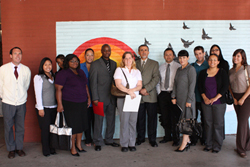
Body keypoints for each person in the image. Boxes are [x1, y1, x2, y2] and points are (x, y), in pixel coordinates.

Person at [55, 54, 91, 156]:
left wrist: (88, 98)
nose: (75, 63)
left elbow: (85, 86)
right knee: (73, 127)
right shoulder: (63, 73)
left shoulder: (80, 72)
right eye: (72, 61)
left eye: (76, 61)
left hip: (82, 102)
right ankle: (72, 147)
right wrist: (59, 104)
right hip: (70, 103)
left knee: (81, 125)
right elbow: (58, 89)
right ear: (67, 62)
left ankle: (79, 145)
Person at [0, 47, 31, 159]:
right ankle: (11, 149)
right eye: (15, 53)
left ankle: (19, 148)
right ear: (10, 56)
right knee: (8, 127)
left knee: (20, 127)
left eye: (20, 53)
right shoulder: (3, 69)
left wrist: (20, 96)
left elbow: (25, 86)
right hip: (8, 102)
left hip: (21, 102)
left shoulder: (26, 70)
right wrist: (5, 97)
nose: (18, 55)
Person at [89, 44, 119, 151]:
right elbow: (93, 82)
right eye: (105, 50)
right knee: (98, 121)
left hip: (112, 97)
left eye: (108, 50)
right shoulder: (95, 64)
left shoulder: (114, 64)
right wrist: (95, 97)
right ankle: (97, 141)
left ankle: (109, 139)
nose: (107, 52)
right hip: (99, 98)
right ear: (101, 51)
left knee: (111, 120)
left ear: (110, 51)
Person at [198, 54, 229, 153]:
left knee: (218, 124)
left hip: (219, 102)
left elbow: (225, 87)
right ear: (208, 61)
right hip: (205, 102)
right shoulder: (203, 73)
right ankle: (209, 144)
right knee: (207, 124)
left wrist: (215, 98)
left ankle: (217, 145)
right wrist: (205, 98)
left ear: (218, 62)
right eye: (210, 60)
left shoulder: (222, 72)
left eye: (215, 60)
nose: (212, 62)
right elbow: (200, 87)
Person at [114, 52, 142, 152]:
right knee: (124, 122)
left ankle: (132, 143)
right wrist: (129, 92)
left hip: (134, 98)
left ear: (133, 59)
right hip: (123, 98)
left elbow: (139, 85)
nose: (128, 60)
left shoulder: (137, 71)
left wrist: (132, 92)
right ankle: (124, 144)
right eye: (126, 58)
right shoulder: (119, 70)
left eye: (130, 58)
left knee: (133, 121)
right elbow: (118, 84)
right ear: (123, 60)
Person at [171, 50, 196, 152]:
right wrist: (173, 96)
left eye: (184, 58)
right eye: (180, 58)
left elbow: (192, 85)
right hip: (179, 100)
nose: (182, 60)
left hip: (187, 100)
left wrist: (189, 100)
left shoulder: (191, 69)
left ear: (188, 58)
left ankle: (184, 144)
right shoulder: (179, 70)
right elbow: (175, 84)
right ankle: (188, 140)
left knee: (186, 121)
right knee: (182, 120)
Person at [135, 44, 160, 147]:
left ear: (148, 52)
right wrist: (140, 90)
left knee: (152, 119)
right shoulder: (134, 63)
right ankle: (140, 138)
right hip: (138, 96)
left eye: (145, 50)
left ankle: (152, 139)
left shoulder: (154, 63)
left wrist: (146, 89)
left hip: (150, 95)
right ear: (139, 52)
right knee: (139, 119)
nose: (144, 52)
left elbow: (156, 78)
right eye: (141, 50)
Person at [156, 48, 181, 146]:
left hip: (174, 95)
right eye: (166, 54)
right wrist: (160, 93)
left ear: (173, 56)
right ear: (164, 56)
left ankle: (176, 138)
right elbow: (158, 82)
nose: (168, 56)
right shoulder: (160, 67)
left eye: (170, 54)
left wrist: (176, 95)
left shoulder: (178, 67)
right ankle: (167, 137)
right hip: (163, 94)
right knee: (165, 116)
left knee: (175, 118)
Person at [229, 49, 250, 158]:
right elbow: (230, 87)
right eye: (234, 56)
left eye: (238, 56)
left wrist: (243, 98)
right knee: (243, 122)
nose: (235, 58)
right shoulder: (231, 70)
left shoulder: (247, 68)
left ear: (243, 57)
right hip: (236, 97)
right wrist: (234, 98)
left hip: (246, 97)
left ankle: (241, 149)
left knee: (242, 122)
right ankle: (247, 144)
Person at [34, 57, 57, 157]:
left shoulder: (53, 76)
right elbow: (38, 94)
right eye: (45, 65)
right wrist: (40, 108)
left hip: (54, 107)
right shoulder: (38, 77)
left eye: (50, 64)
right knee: (45, 129)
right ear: (42, 66)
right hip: (44, 108)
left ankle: (52, 148)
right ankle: (46, 150)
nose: (48, 66)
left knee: (52, 129)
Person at [209, 44, 229, 140]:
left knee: (219, 121)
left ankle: (219, 139)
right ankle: (210, 139)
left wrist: (218, 95)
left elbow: (225, 83)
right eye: (212, 50)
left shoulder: (224, 64)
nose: (214, 52)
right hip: (209, 96)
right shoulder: (208, 66)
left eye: (216, 50)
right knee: (209, 121)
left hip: (220, 96)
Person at [190, 46, 209, 146]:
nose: (198, 56)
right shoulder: (192, 66)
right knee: (193, 119)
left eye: (200, 53)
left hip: (205, 98)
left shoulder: (209, 65)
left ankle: (204, 138)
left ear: (204, 53)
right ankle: (193, 138)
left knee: (205, 119)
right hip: (194, 97)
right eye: (196, 54)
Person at [80, 48, 95, 146]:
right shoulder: (80, 67)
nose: (89, 57)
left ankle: (96, 139)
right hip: (84, 97)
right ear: (85, 56)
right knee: (86, 119)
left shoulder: (97, 66)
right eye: (88, 55)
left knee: (95, 120)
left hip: (96, 96)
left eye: (91, 55)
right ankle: (88, 139)